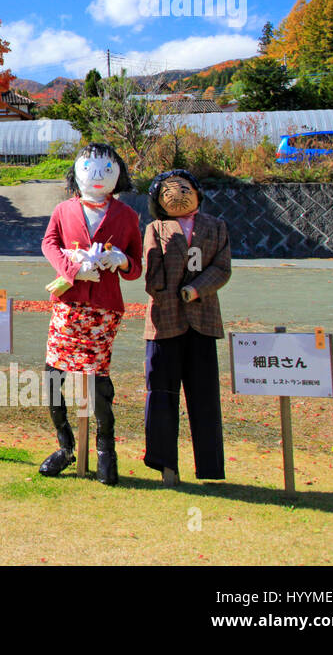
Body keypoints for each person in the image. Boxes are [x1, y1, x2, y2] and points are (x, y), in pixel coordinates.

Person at [39, 142, 143, 485]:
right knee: (53, 375)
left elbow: (136, 264)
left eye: (106, 170)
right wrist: (71, 269)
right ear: (76, 173)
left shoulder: (128, 217)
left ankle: (105, 452)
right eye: (88, 169)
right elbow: (49, 243)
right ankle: (65, 445)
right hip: (68, 304)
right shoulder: (63, 210)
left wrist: (122, 260)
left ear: (119, 175)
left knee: (99, 382)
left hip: (103, 308)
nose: (97, 176)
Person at [141, 169, 231, 486]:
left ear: (197, 191)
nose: (177, 193)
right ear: (157, 199)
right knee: (162, 393)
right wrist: (168, 295)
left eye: (184, 187)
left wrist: (195, 290)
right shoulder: (155, 228)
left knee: (204, 395)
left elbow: (222, 267)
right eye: (168, 190)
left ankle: (210, 468)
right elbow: (151, 271)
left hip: (203, 319)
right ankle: (165, 465)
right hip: (165, 321)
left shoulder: (216, 227)